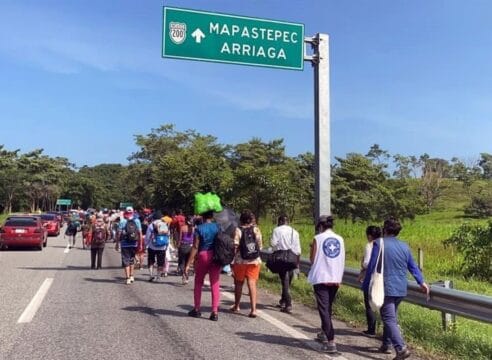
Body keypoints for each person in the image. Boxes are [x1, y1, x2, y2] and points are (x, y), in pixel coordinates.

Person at [363, 217, 429, 360]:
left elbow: (372, 266)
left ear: (385, 229)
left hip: (385, 287)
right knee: (390, 317)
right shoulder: (404, 246)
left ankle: (401, 348)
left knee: (389, 319)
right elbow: (413, 266)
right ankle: (386, 344)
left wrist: (366, 284)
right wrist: (421, 281)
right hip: (400, 288)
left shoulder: (379, 243)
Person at [307, 215, 345, 354]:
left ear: (320, 226)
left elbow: (312, 259)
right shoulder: (340, 239)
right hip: (335, 277)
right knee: (328, 307)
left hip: (321, 277)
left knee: (323, 309)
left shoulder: (318, 239)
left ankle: (331, 341)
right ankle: (324, 332)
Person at [184, 210, 221, 321]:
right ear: (212, 216)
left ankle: (196, 309)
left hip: (203, 255)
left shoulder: (199, 228)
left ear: (202, 217)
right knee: (215, 283)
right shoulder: (218, 227)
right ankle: (214, 312)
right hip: (216, 256)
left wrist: (188, 264)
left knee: (199, 282)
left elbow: (195, 246)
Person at [230, 210, 262, 318]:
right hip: (254, 260)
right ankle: (253, 310)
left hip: (240, 261)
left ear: (241, 220)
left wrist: (232, 260)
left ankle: (237, 306)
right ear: (251, 220)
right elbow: (260, 246)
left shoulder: (238, 230)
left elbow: (235, 246)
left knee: (239, 283)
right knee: (252, 283)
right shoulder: (256, 230)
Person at [270, 215, 301, 314]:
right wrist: (297, 263)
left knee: (285, 280)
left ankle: (288, 304)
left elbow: (273, 244)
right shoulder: (294, 232)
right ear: (288, 222)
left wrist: (276, 248)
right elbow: (298, 249)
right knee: (287, 279)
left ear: (279, 221)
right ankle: (283, 301)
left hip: (281, 258)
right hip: (292, 258)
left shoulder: (277, 230)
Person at [357, 225, 382, 337]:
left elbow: (367, 263)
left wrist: (362, 264)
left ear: (369, 236)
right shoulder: (383, 244)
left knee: (369, 305)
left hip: (371, 278)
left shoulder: (369, 245)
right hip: (382, 278)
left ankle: (371, 330)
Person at [115, 207, 143, 285]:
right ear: (133, 212)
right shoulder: (137, 221)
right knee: (132, 259)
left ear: (125, 212)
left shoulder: (122, 221)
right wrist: (140, 244)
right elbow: (140, 233)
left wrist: (117, 243)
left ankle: (127, 278)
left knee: (125, 260)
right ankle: (131, 276)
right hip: (134, 243)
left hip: (124, 243)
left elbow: (119, 233)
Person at [145, 211, 168, 282]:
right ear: (161, 217)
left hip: (152, 246)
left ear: (153, 217)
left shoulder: (151, 225)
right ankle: (158, 277)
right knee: (160, 262)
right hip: (162, 247)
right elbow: (167, 235)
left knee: (151, 261)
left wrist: (146, 244)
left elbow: (148, 236)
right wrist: (167, 244)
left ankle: (151, 275)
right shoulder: (164, 224)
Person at [178, 216, 194, 283]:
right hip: (190, 246)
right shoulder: (193, 228)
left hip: (183, 245)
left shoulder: (182, 227)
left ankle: (183, 275)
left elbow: (180, 238)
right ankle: (186, 275)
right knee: (188, 262)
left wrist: (178, 246)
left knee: (182, 262)